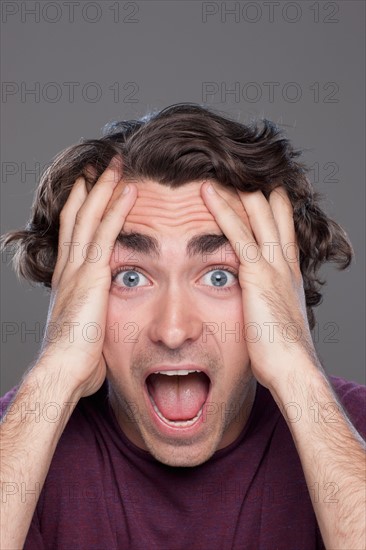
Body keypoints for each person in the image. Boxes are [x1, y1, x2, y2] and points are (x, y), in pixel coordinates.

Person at [0, 103, 365, 550]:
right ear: (76, 294)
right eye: (129, 277)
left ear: (280, 291)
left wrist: (295, 366)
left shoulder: (353, 432)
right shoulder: (20, 435)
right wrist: (55, 370)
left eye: (219, 276)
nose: (173, 330)